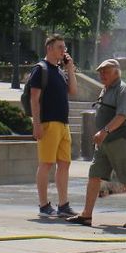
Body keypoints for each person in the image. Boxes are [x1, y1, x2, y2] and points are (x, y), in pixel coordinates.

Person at [67, 58, 126, 229]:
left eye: (106, 72)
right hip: (105, 142)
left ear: (116, 73)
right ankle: (86, 215)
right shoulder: (106, 89)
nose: (102, 75)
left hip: (120, 141)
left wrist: (104, 131)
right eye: (101, 72)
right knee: (94, 174)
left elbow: (122, 115)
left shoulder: (122, 89)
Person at [28, 35, 77, 217]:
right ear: (49, 48)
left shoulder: (60, 71)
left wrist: (70, 68)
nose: (63, 51)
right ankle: (43, 205)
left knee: (64, 163)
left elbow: (73, 91)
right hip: (48, 123)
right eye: (59, 47)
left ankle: (63, 205)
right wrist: (36, 124)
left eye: (64, 48)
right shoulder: (41, 69)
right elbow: (34, 99)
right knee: (46, 163)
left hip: (63, 124)